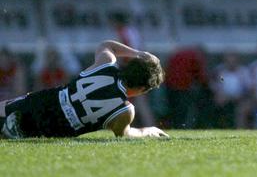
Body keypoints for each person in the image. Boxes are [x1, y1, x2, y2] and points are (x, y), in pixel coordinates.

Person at [0, 40, 168, 139]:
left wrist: (138, 53)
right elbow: (125, 134)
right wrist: (148, 131)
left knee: (5, 109)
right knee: (17, 131)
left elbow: (106, 45)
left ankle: (13, 123)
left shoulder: (105, 65)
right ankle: (15, 127)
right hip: (55, 126)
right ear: (143, 88)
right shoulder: (125, 110)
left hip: (45, 100)